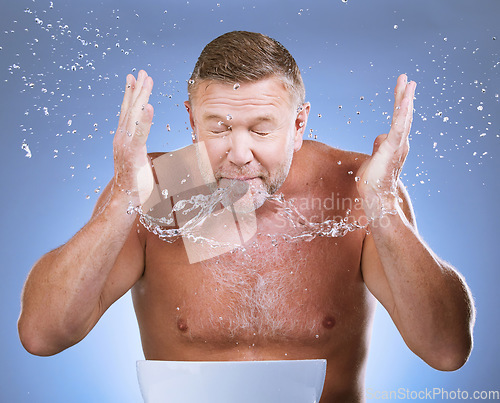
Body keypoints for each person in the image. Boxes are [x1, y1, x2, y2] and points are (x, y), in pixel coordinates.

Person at [18, 31, 475, 402]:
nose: (240, 155)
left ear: (298, 125)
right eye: (218, 127)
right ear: (192, 122)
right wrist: (122, 199)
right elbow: (43, 335)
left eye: (261, 129)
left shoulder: (357, 186)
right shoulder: (155, 186)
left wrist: (384, 210)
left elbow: (446, 350)